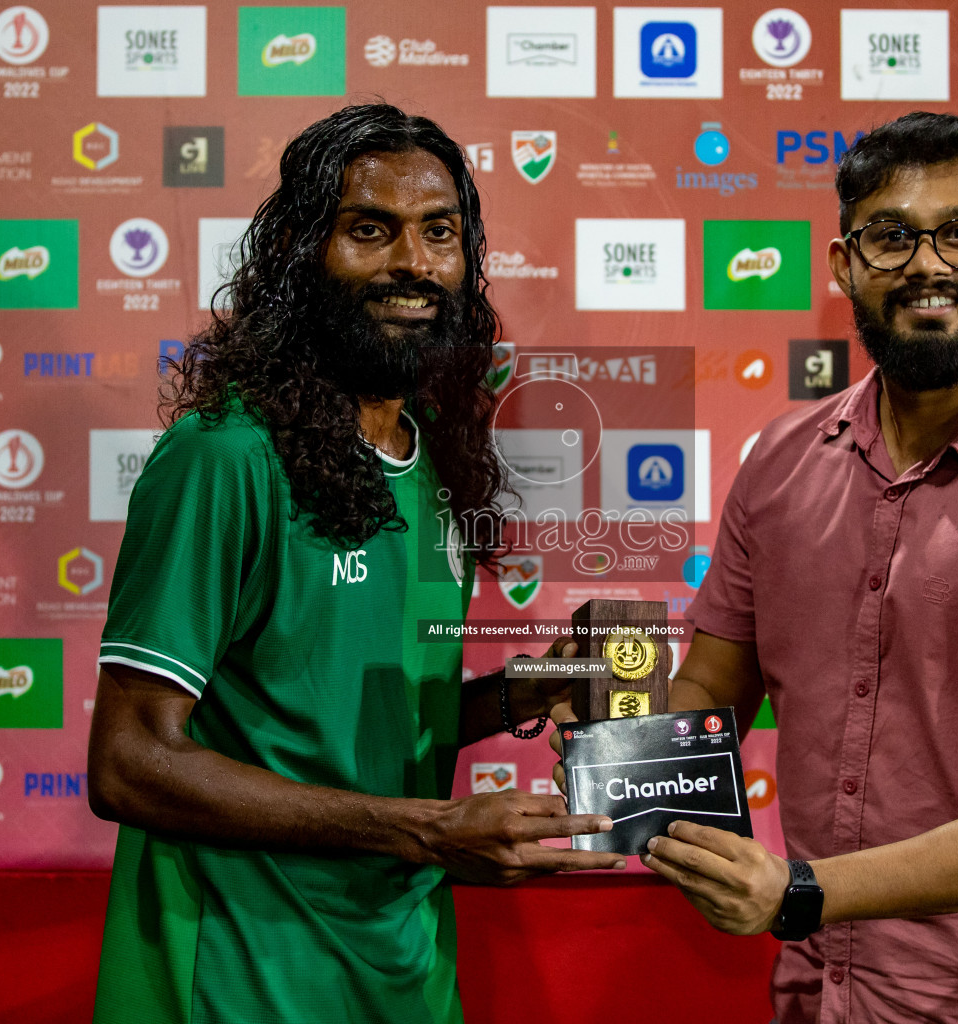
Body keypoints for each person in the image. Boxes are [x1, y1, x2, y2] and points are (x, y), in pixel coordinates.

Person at [556, 112, 958, 1023]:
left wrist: (798, 892)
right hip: (823, 987)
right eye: (891, 236)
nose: (928, 264)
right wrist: (599, 774)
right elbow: (710, 695)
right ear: (846, 265)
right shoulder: (780, 460)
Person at [87, 104, 621, 1024]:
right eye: (370, 230)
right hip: (243, 974)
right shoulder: (225, 459)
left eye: (439, 232)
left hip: (401, 965)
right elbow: (130, 761)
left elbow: (363, 719)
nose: (413, 262)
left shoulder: (433, 461)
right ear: (301, 253)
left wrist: (528, 694)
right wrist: (428, 830)